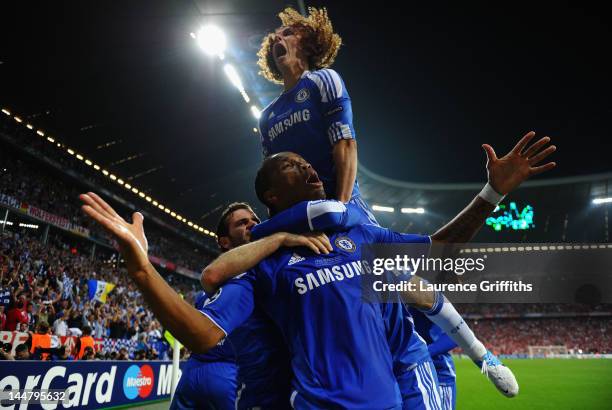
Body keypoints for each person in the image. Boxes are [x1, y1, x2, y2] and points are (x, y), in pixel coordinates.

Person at [172, 202, 328, 410]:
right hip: (246, 381)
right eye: (242, 222)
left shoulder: (370, 237)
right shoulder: (245, 279)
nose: (253, 224)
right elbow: (210, 276)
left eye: (255, 219)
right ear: (224, 242)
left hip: (331, 384)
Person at [257, 7, 376, 224]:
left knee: (386, 256)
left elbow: (345, 143)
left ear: (307, 44)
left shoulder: (323, 80)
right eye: (275, 37)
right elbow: (272, 179)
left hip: (343, 207)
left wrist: (341, 207)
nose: (277, 38)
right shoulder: (266, 116)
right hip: (302, 218)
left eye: (287, 33)